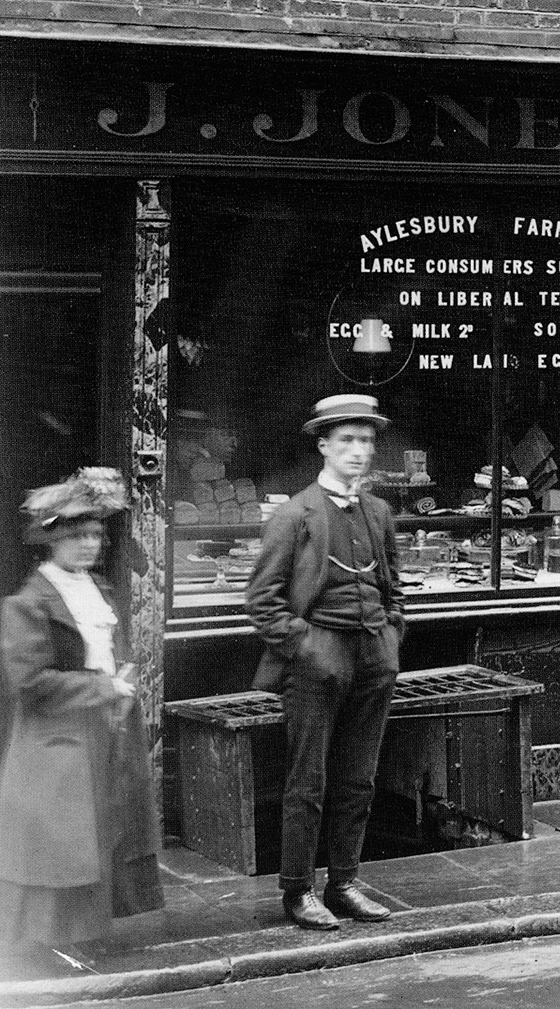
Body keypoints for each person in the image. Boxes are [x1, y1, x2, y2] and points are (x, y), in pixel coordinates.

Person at [245, 393, 405, 930]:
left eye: (366, 441)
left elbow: (394, 589)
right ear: (324, 446)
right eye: (347, 442)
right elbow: (262, 601)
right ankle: (297, 890)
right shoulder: (296, 514)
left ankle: (344, 882)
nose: (359, 452)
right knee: (307, 781)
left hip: (372, 657)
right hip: (318, 658)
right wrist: (306, 648)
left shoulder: (379, 512)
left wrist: (389, 639)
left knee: (358, 777)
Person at [0, 469, 163, 948]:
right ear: (51, 541)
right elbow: (31, 684)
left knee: (102, 833)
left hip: (104, 729)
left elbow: (103, 650)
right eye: (76, 536)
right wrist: (106, 687)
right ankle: (40, 945)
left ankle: (83, 935)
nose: (89, 544)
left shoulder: (98, 589)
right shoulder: (27, 603)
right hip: (57, 736)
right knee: (61, 842)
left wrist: (119, 680)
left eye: (95, 534)